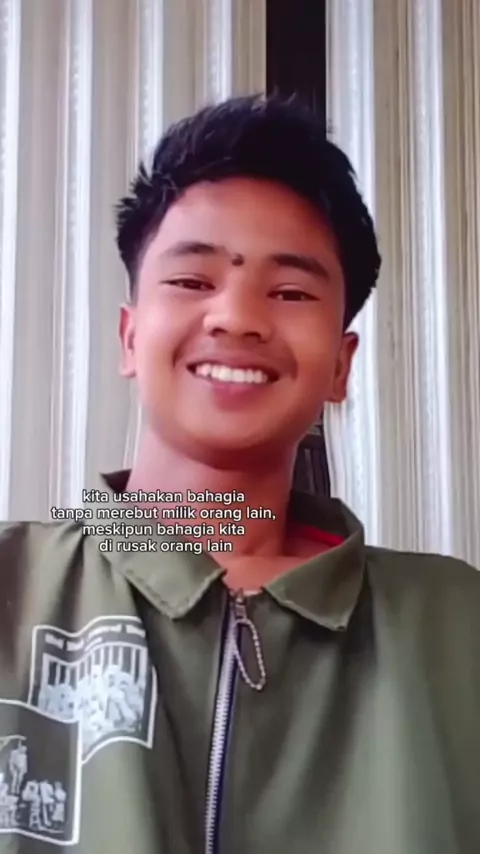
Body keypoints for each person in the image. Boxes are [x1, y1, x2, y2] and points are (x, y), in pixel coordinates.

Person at [0, 94, 479, 854]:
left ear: (341, 366)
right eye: (192, 282)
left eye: (290, 293)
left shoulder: (456, 627)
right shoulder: (12, 586)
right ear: (130, 337)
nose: (237, 318)